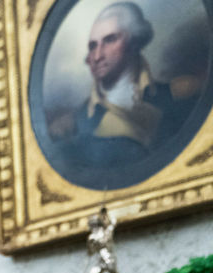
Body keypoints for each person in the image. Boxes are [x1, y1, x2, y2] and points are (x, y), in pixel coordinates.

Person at [50, 2, 200, 171]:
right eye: (93, 46)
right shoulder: (74, 124)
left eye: (109, 40)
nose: (97, 55)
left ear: (134, 43)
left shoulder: (179, 95)